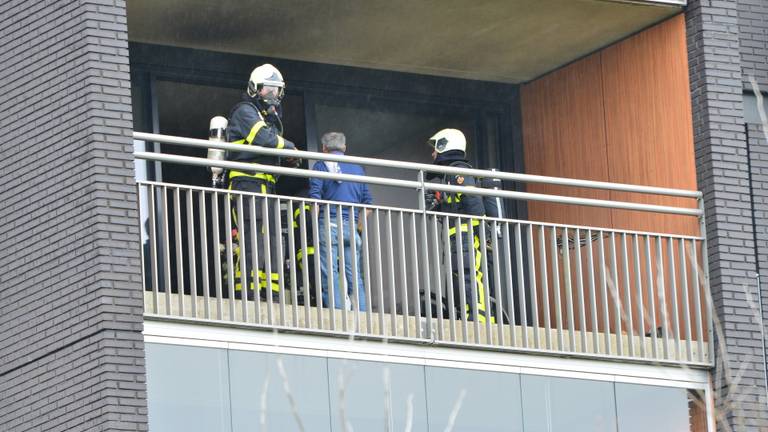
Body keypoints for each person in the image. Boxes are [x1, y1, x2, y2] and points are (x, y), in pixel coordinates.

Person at [226, 63, 298, 300]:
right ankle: (246, 292)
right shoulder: (244, 111)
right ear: (254, 88)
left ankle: (271, 294)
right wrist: (287, 147)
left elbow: (271, 143)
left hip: (266, 187)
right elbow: (262, 139)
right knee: (252, 240)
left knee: (274, 240)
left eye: (276, 89)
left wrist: (287, 158)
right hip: (247, 185)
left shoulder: (269, 117)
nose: (273, 94)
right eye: (268, 88)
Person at [425, 128, 494, 323]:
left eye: (436, 148)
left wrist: (481, 232)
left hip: (467, 235)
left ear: (446, 146)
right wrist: (437, 206)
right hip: (458, 236)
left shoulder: (458, 172)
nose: (433, 154)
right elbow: (457, 206)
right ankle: (467, 316)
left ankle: (478, 320)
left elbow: (473, 202)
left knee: (469, 274)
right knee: (461, 276)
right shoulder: (450, 174)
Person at [309, 132, 371, 311]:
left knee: (329, 272)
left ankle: (337, 313)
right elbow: (368, 206)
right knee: (355, 275)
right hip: (351, 226)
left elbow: (315, 200)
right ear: (344, 148)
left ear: (324, 148)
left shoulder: (320, 165)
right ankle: (362, 312)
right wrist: (357, 228)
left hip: (328, 223)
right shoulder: (357, 168)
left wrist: (316, 225)